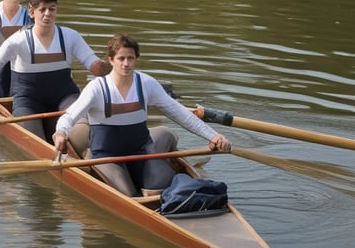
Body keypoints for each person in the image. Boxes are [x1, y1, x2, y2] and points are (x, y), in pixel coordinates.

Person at [52, 33, 231, 197]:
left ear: (136, 58)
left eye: (130, 58)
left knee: (161, 187)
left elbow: (180, 113)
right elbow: (69, 116)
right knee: (129, 196)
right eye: (121, 58)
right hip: (106, 155)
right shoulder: (97, 88)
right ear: (111, 60)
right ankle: (91, 158)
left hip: (141, 150)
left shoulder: (146, 83)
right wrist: (60, 133)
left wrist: (213, 135)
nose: (126, 64)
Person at [0, 0, 112, 141]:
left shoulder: (70, 36)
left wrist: (116, 68)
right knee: (34, 141)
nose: (47, 14)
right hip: (28, 101)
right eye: (43, 9)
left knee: (83, 135)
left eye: (52, 9)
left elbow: (94, 65)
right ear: (32, 12)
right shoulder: (18, 40)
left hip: (65, 97)